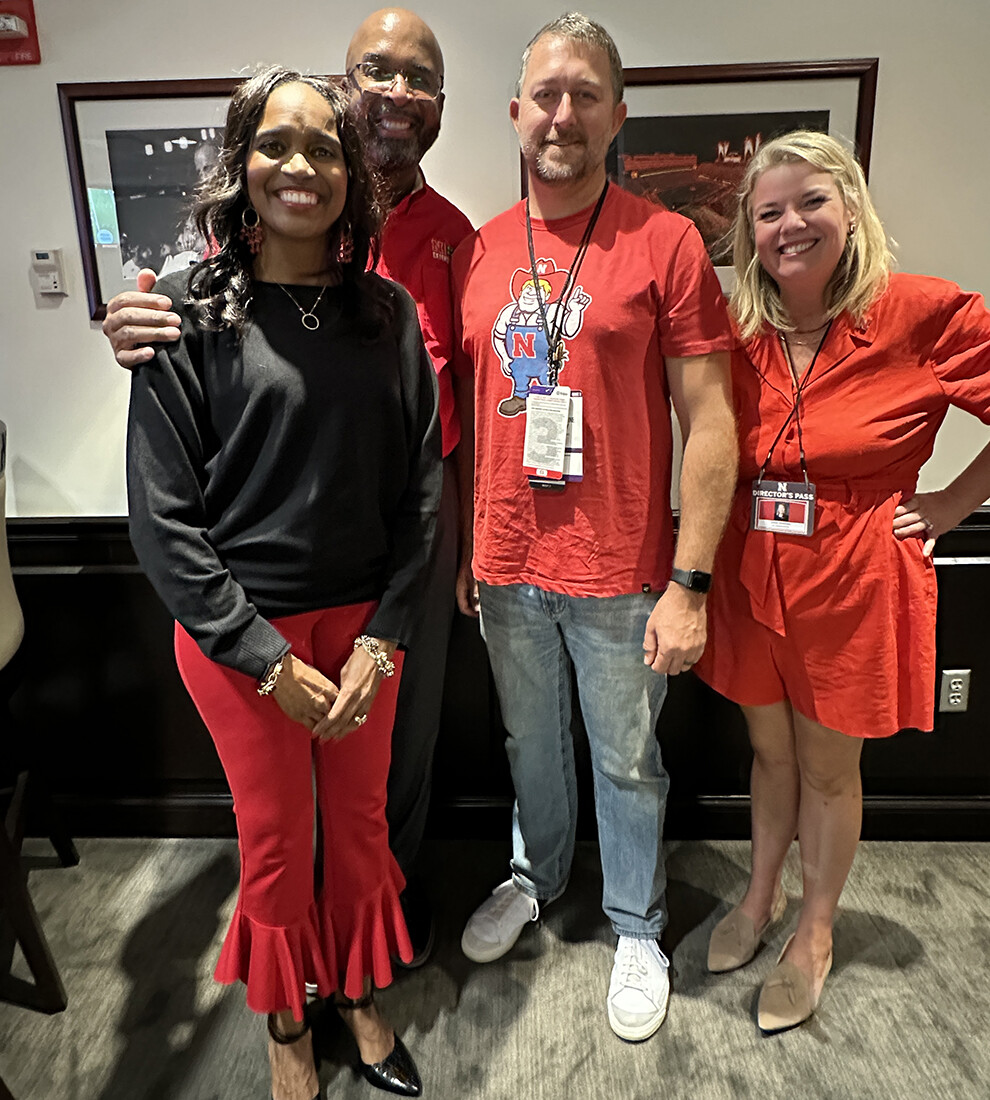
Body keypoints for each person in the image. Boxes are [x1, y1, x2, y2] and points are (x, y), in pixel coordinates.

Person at [101, 8, 473, 965]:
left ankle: (358, 990)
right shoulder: (182, 308)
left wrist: (384, 639)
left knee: (360, 827)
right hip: (240, 634)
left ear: (350, 176)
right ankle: (288, 1035)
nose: (301, 167)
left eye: (322, 151)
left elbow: (423, 489)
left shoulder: (387, 308)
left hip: (369, 621)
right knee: (276, 841)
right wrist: (265, 658)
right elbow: (164, 520)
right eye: (275, 146)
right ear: (242, 163)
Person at [452, 13, 737, 1042]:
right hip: (506, 563)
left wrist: (691, 581)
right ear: (516, 112)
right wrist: (468, 551)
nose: (562, 113)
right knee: (531, 740)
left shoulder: (665, 241)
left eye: (586, 94)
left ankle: (635, 924)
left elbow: (711, 423)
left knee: (625, 755)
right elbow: (466, 410)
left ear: (617, 115)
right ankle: (534, 876)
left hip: (622, 564)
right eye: (546, 93)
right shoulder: (481, 248)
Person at [695, 129, 990, 1034]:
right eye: (770, 210)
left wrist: (949, 504)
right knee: (770, 754)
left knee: (828, 770)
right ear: (749, 228)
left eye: (811, 201)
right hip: (753, 567)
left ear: (851, 208)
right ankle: (760, 898)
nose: (791, 224)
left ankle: (815, 932)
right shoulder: (739, 327)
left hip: (855, 576)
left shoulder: (921, 312)